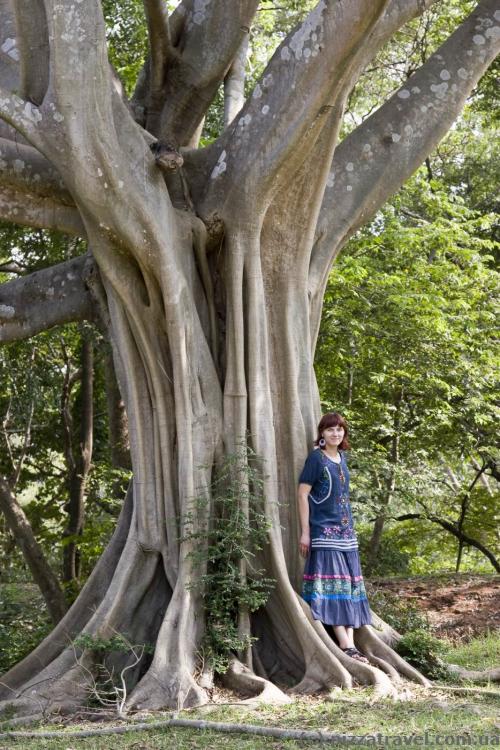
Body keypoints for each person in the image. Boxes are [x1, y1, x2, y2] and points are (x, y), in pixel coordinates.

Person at [297, 412, 372, 663]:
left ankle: (350, 645)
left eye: (339, 430)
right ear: (322, 433)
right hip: (324, 533)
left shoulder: (342, 458)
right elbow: (302, 494)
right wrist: (305, 533)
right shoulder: (316, 459)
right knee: (333, 589)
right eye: (330, 430)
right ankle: (346, 645)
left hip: (347, 535)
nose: (335, 434)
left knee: (348, 588)